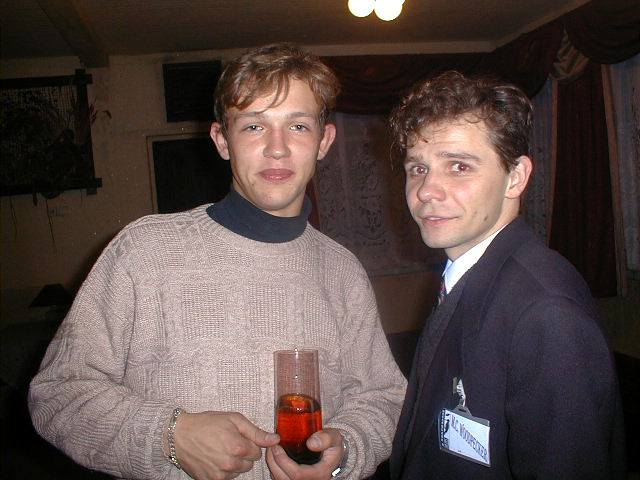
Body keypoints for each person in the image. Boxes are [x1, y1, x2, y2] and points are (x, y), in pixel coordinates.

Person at [28, 43, 406, 480]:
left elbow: (385, 397)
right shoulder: (144, 252)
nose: (277, 148)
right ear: (222, 140)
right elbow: (58, 394)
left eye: (298, 126)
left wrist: (347, 448)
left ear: (324, 142)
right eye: (254, 126)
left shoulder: (343, 271)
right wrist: (169, 435)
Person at [387, 71, 626, 479]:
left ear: (515, 177)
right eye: (418, 168)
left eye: (458, 166)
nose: (426, 190)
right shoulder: (468, 276)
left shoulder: (546, 312)